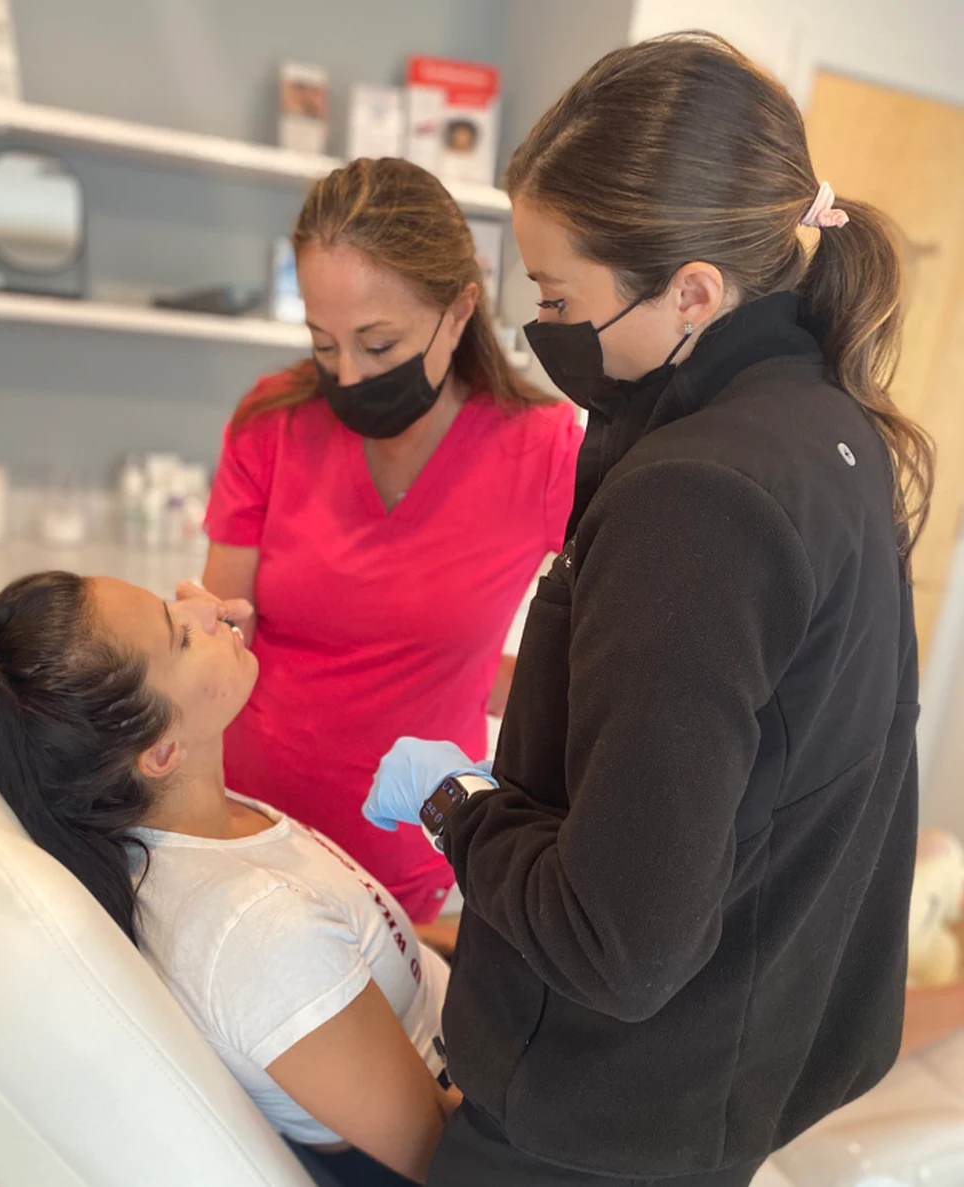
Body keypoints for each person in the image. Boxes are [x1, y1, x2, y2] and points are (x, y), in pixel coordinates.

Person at [363, 33, 934, 1187]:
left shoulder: (699, 494)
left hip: (597, 1126)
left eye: (560, 295)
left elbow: (618, 944)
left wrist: (455, 799)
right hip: (710, 1080)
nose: (543, 323)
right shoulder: (824, 427)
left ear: (692, 291)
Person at [0, 572, 459, 1186]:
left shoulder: (193, 822)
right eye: (179, 635)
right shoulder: (257, 932)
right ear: (162, 753)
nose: (205, 607)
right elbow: (445, 1154)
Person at [190, 156, 580, 925]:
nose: (348, 373)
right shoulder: (272, 421)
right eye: (323, 342)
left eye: (378, 342)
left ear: (460, 309)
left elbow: (610, 650)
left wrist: (476, 687)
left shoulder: (541, 454)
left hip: (405, 855)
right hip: (245, 826)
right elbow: (226, 627)